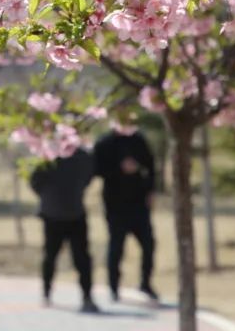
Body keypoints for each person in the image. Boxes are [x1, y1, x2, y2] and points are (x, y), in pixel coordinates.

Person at [93, 123, 159, 303]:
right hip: (115, 204)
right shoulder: (105, 142)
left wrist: (151, 190)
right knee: (116, 247)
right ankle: (113, 286)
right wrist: (119, 169)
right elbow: (97, 170)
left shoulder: (138, 140)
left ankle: (145, 283)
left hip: (138, 202)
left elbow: (151, 165)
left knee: (149, 244)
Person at [29, 146, 99, 313]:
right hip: (52, 215)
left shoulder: (82, 156)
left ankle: (87, 297)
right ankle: (46, 293)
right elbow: (35, 181)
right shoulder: (46, 155)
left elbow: (88, 177)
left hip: (76, 213)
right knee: (50, 256)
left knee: (82, 259)